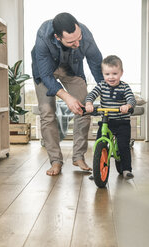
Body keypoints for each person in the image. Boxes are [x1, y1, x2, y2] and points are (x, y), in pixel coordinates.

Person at [31, 12, 104, 176]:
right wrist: (66, 97)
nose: (78, 43)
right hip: (46, 73)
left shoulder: (85, 34)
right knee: (47, 113)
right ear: (57, 37)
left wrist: (107, 91)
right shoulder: (43, 35)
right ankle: (55, 161)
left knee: (84, 108)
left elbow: (97, 66)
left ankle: (78, 156)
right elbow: (46, 76)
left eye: (79, 38)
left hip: (72, 70)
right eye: (72, 41)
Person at [85, 55, 136, 179]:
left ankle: (126, 169)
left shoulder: (124, 87)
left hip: (122, 121)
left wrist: (127, 105)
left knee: (123, 145)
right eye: (107, 74)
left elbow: (131, 98)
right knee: (100, 144)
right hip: (106, 121)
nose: (111, 77)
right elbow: (92, 94)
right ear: (103, 74)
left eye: (114, 73)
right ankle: (97, 169)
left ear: (121, 73)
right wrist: (89, 103)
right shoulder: (101, 86)